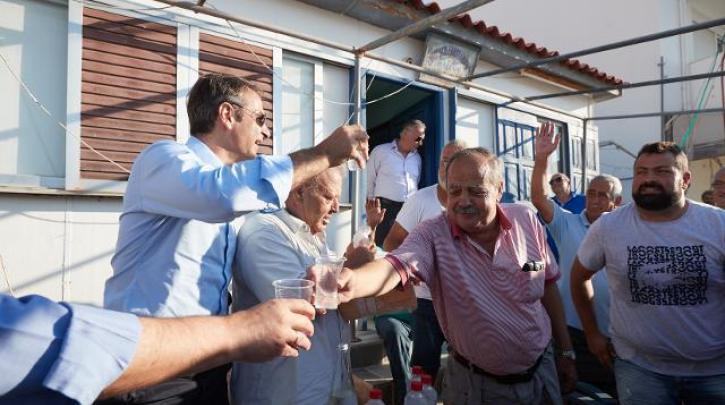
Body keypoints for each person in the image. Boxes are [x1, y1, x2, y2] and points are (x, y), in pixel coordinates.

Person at [102, 73, 368, 404]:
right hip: (151, 365)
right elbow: (222, 195)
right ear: (227, 115)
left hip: (204, 364)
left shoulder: (234, 195)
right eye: (260, 119)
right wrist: (324, 154)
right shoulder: (164, 159)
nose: (265, 132)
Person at [319, 147, 577, 405]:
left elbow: (546, 284)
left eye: (475, 191)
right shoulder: (433, 235)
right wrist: (351, 281)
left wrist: (566, 352)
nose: (463, 201)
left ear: (498, 189)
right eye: (455, 191)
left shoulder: (525, 220)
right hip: (476, 389)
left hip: (543, 374)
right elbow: (395, 265)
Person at [571, 142, 725, 404]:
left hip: (714, 371)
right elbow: (578, 278)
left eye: (662, 171)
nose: (648, 179)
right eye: (641, 172)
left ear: (686, 179)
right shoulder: (609, 226)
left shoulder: (717, 224)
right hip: (639, 370)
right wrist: (592, 334)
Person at [1, 293, 315, 404]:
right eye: (327, 196)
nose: (332, 208)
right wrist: (239, 331)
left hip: (208, 365)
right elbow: (50, 350)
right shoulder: (172, 167)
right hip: (152, 364)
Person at [230, 166, 376, 405]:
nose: (336, 208)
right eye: (328, 197)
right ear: (298, 192)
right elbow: (299, 304)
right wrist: (352, 266)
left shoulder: (313, 236)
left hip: (321, 388)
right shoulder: (264, 231)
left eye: (338, 199)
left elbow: (335, 298)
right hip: (283, 394)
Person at [531, 122, 621, 396]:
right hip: (573, 334)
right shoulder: (567, 223)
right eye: (591, 193)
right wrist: (542, 159)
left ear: (616, 202)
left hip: (616, 335)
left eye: (602, 195)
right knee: (573, 394)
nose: (594, 200)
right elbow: (538, 197)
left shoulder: (628, 230)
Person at [382, 140, 468, 385]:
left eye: (453, 161)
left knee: (467, 369)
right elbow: (391, 243)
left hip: (463, 302)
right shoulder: (419, 200)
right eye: (443, 161)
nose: (446, 167)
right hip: (426, 303)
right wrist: (411, 267)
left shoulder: (473, 205)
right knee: (423, 371)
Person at [366, 120, 425, 246]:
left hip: (409, 211)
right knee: (381, 247)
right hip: (385, 210)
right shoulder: (380, 151)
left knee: (406, 248)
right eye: (418, 138)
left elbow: (417, 181)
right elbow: (369, 178)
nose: (421, 143)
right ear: (405, 133)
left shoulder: (417, 158)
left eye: (422, 139)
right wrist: (371, 208)